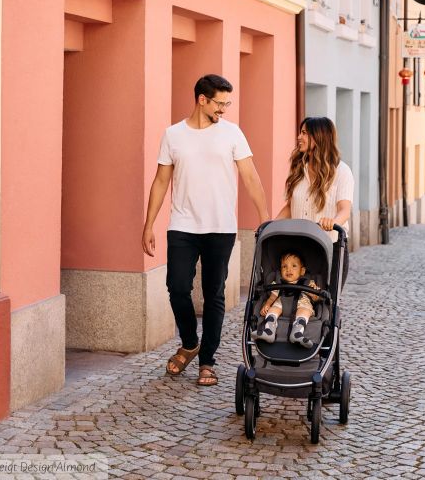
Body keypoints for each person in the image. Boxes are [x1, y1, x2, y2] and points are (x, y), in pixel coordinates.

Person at [142, 74, 269, 386]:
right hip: (182, 225)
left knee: (214, 294)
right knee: (177, 286)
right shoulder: (173, 135)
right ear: (202, 99)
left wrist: (265, 218)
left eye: (227, 103)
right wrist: (148, 225)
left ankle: (207, 361)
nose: (224, 109)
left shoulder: (232, 134)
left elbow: (250, 177)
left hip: (220, 227)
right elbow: (161, 181)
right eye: (220, 102)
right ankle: (189, 342)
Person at [276, 117, 354, 292]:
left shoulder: (341, 172)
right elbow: (290, 206)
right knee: (294, 299)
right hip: (299, 248)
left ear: (318, 137)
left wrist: (333, 222)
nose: (298, 137)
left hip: (329, 247)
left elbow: (344, 209)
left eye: (304, 133)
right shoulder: (298, 168)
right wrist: (271, 226)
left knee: (325, 302)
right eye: (300, 132)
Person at [251, 252, 321, 348]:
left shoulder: (308, 282)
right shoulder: (278, 282)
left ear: (302, 271)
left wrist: (314, 293)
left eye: (294, 266)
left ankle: (297, 333)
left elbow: (316, 298)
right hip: (282, 303)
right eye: (284, 266)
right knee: (273, 309)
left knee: (305, 310)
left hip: (302, 303)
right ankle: (269, 331)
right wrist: (267, 305)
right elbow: (272, 297)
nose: (288, 269)